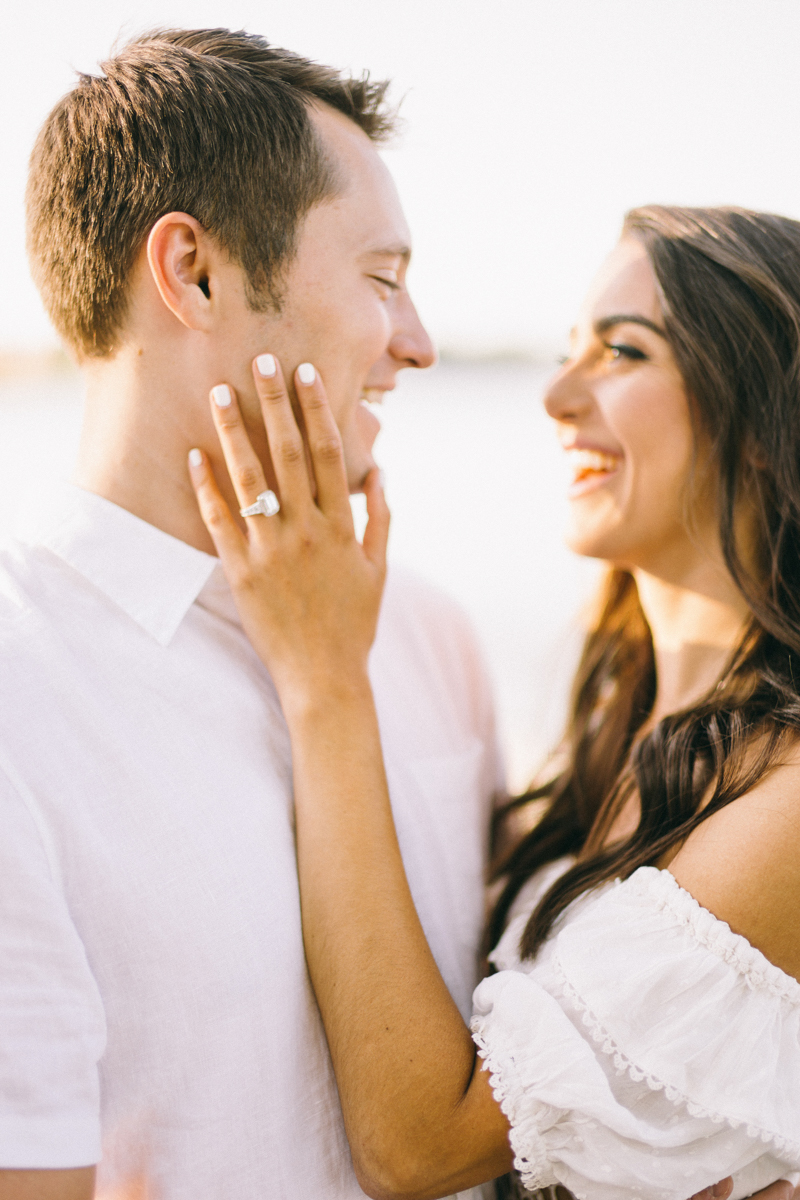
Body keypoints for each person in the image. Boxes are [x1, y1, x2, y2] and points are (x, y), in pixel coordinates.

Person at [188, 206, 800, 1200]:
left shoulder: (781, 799)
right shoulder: (627, 725)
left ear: (769, 421)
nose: (558, 398)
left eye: (622, 352)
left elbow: (419, 1146)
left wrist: (323, 676)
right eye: (568, 352)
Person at [0, 27, 501, 1200]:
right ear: (197, 274)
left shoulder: (432, 634)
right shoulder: (17, 685)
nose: (417, 344)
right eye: (382, 279)